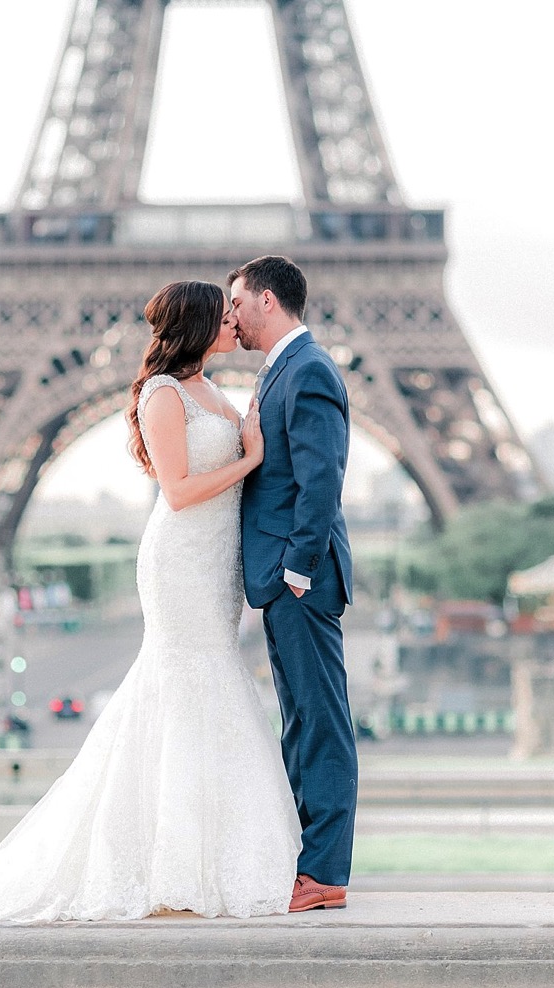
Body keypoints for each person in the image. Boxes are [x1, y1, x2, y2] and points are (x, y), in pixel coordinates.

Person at [0, 280, 300, 933]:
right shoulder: (164, 394)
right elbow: (180, 490)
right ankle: (171, 864)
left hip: (216, 564)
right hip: (181, 558)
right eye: (223, 317)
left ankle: (203, 858)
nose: (234, 323)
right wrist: (250, 457)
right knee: (189, 681)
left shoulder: (215, 392)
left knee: (209, 679)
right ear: (196, 326)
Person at [229, 255, 356, 913]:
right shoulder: (282, 369)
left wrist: (298, 571)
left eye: (239, 302)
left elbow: (321, 480)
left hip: (298, 580)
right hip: (283, 580)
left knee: (321, 723)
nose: (232, 316)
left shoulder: (307, 371)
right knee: (302, 722)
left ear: (269, 300)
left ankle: (326, 872)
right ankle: (309, 864)